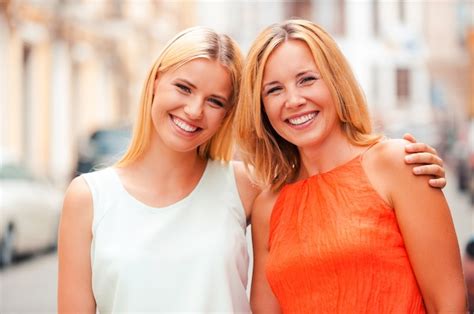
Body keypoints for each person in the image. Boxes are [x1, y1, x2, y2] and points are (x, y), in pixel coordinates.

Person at [58, 26, 448, 313]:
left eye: (215, 100)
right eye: (184, 88)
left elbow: (445, 300)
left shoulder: (245, 186)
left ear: (229, 114)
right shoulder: (89, 197)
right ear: (155, 82)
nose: (194, 111)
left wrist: (409, 170)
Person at [235, 19, 466, 313]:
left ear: (335, 81)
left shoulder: (398, 165)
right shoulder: (268, 206)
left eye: (307, 79)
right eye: (274, 90)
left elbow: (448, 304)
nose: (293, 100)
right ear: (261, 107)